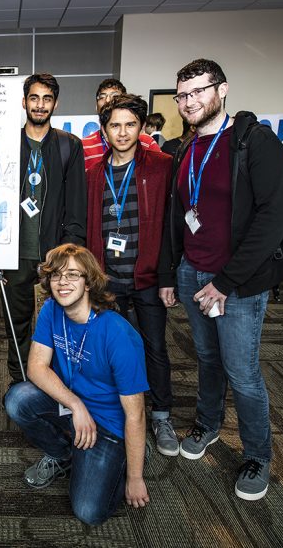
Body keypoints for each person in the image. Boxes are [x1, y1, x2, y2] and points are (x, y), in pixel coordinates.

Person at [158, 58, 283, 501]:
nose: (189, 101)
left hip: (237, 283)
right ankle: (208, 423)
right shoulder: (185, 148)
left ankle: (257, 455)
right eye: (182, 95)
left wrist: (225, 282)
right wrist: (172, 272)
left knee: (242, 372)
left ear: (223, 89)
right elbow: (178, 216)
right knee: (207, 359)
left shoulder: (255, 142)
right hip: (193, 272)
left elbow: (273, 219)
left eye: (198, 91)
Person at [5, 243, 149, 526]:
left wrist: (135, 478)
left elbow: (137, 414)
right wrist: (76, 405)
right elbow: (36, 367)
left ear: (89, 282)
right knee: (17, 399)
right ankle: (63, 455)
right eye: (56, 275)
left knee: (88, 511)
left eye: (73, 275)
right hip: (74, 406)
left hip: (109, 425)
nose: (63, 282)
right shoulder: (51, 309)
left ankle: (130, 456)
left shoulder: (117, 334)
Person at [86, 94, 177, 456]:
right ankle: (117, 413)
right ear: (104, 130)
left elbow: (171, 227)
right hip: (107, 279)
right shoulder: (94, 175)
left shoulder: (161, 167)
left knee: (154, 347)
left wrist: (167, 276)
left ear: (141, 128)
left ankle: (162, 414)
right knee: (110, 350)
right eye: (115, 125)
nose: (122, 132)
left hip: (148, 278)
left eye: (130, 125)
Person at [3, 73, 86, 394]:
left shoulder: (68, 146)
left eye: (47, 99)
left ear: (55, 103)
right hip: (13, 253)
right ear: (24, 102)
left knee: (59, 323)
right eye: (34, 98)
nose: (40, 105)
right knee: (17, 322)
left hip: (54, 254)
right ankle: (20, 383)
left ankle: (59, 385)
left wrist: (69, 256)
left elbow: (76, 206)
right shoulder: (7, 143)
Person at [82, 78, 162, 171]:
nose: (108, 100)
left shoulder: (147, 142)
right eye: (102, 97)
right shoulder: (84, 146)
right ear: (96, 107)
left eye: (115, 96)